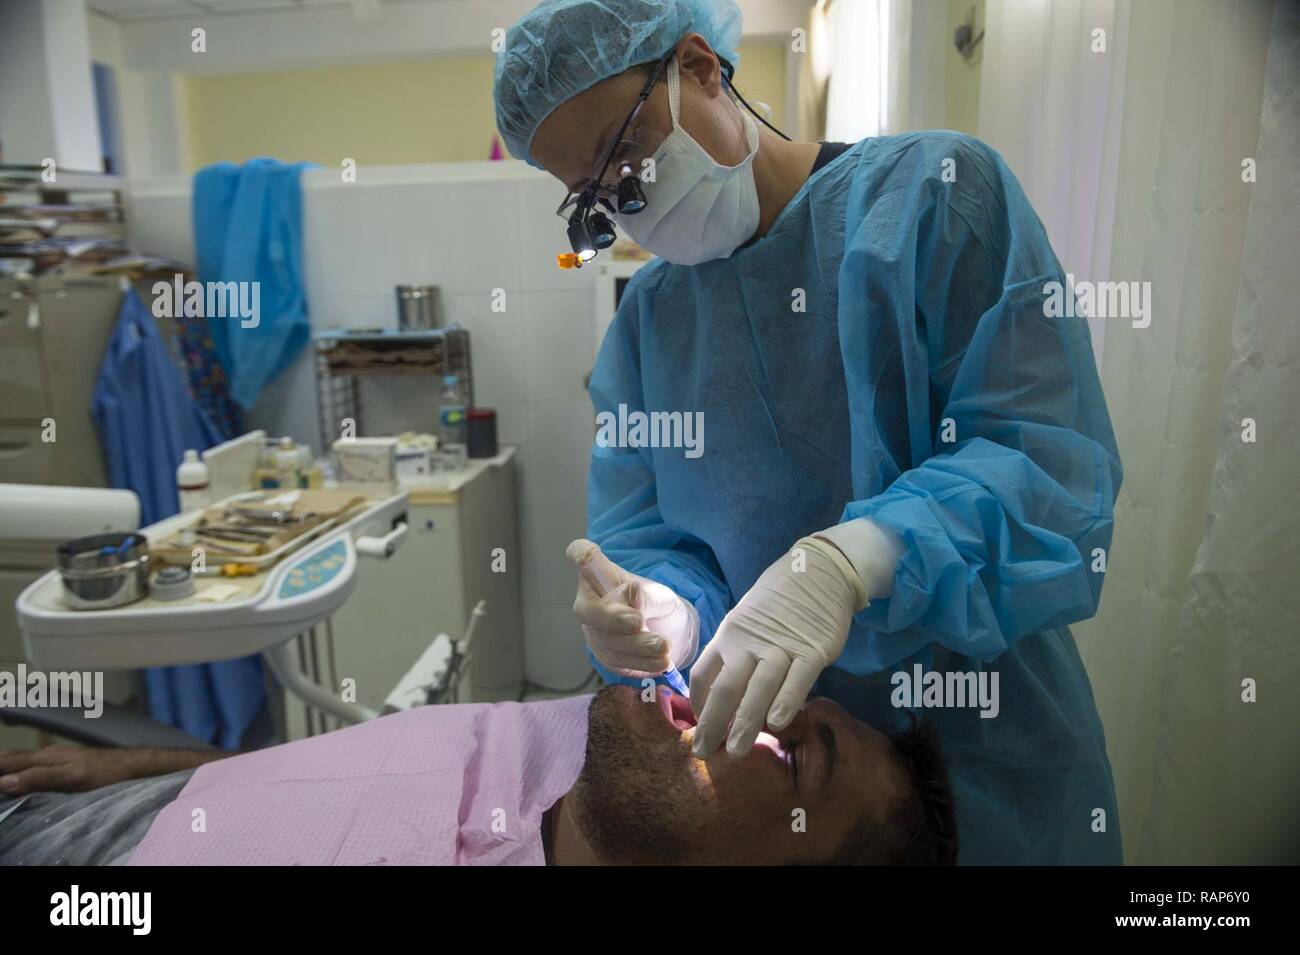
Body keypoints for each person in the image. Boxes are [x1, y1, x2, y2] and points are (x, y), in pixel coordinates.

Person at [493, 0, 1124, 863]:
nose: (630, 206)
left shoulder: (934, 200)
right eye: (598, 201)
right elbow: (653, 535)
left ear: (700, 67)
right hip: (791, 816)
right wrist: (665, 608)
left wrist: (854, 560)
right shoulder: (648, 326)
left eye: (626, 158)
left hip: (993, 757)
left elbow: (1045, 464)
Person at [0, 689, 957, 866]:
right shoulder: (558, 739)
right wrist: (154, 769)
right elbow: (339, 776)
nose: (746, 703)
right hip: (111, 802)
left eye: (796, 755)